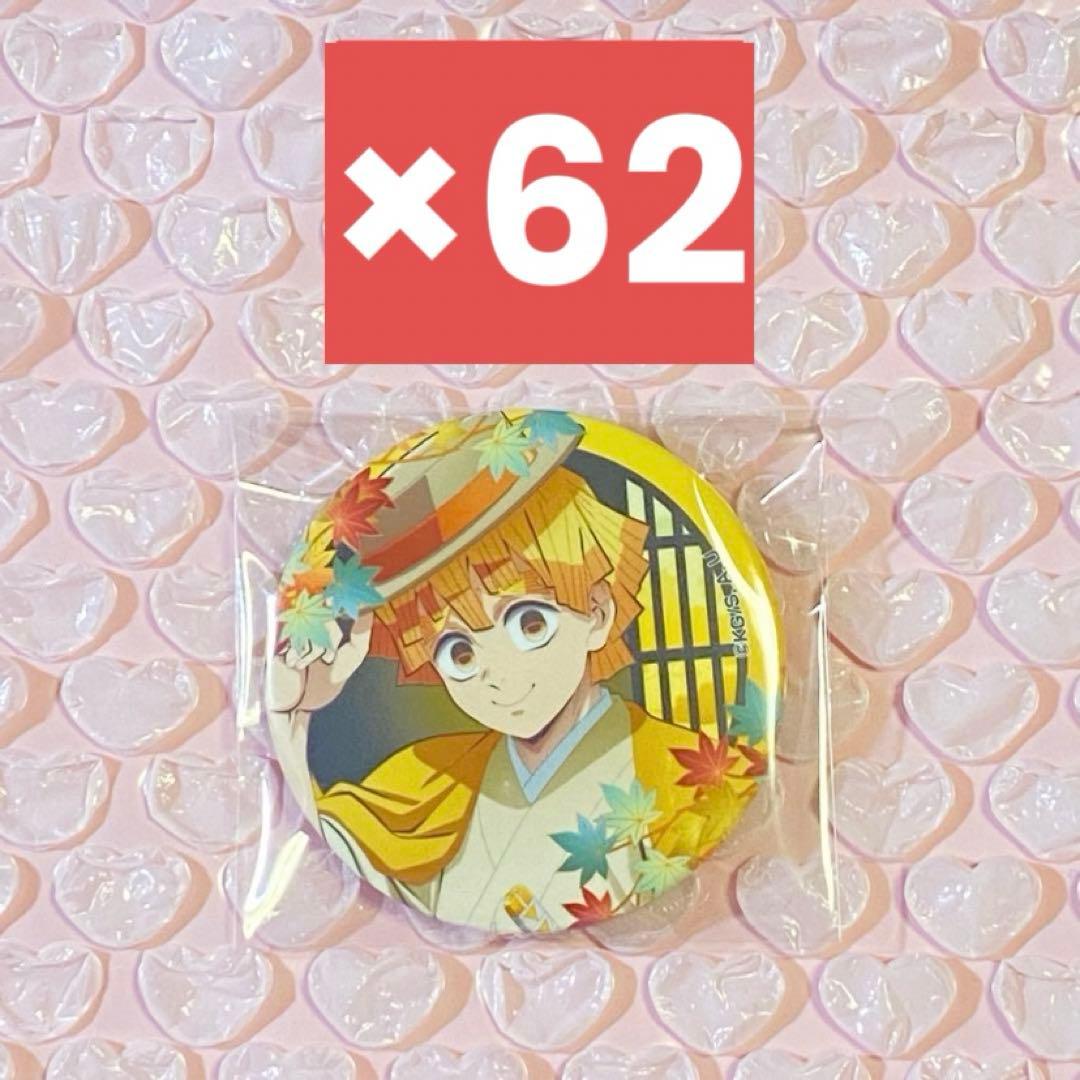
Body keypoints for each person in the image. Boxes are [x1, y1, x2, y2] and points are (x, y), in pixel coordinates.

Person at [268, 411, 765, 933]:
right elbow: (332, 835)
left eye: (530, 623)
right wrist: (295, 715)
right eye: (459, 653)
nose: (498, 675)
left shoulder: (686, 775)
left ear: (597, 613)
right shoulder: (428, 778)